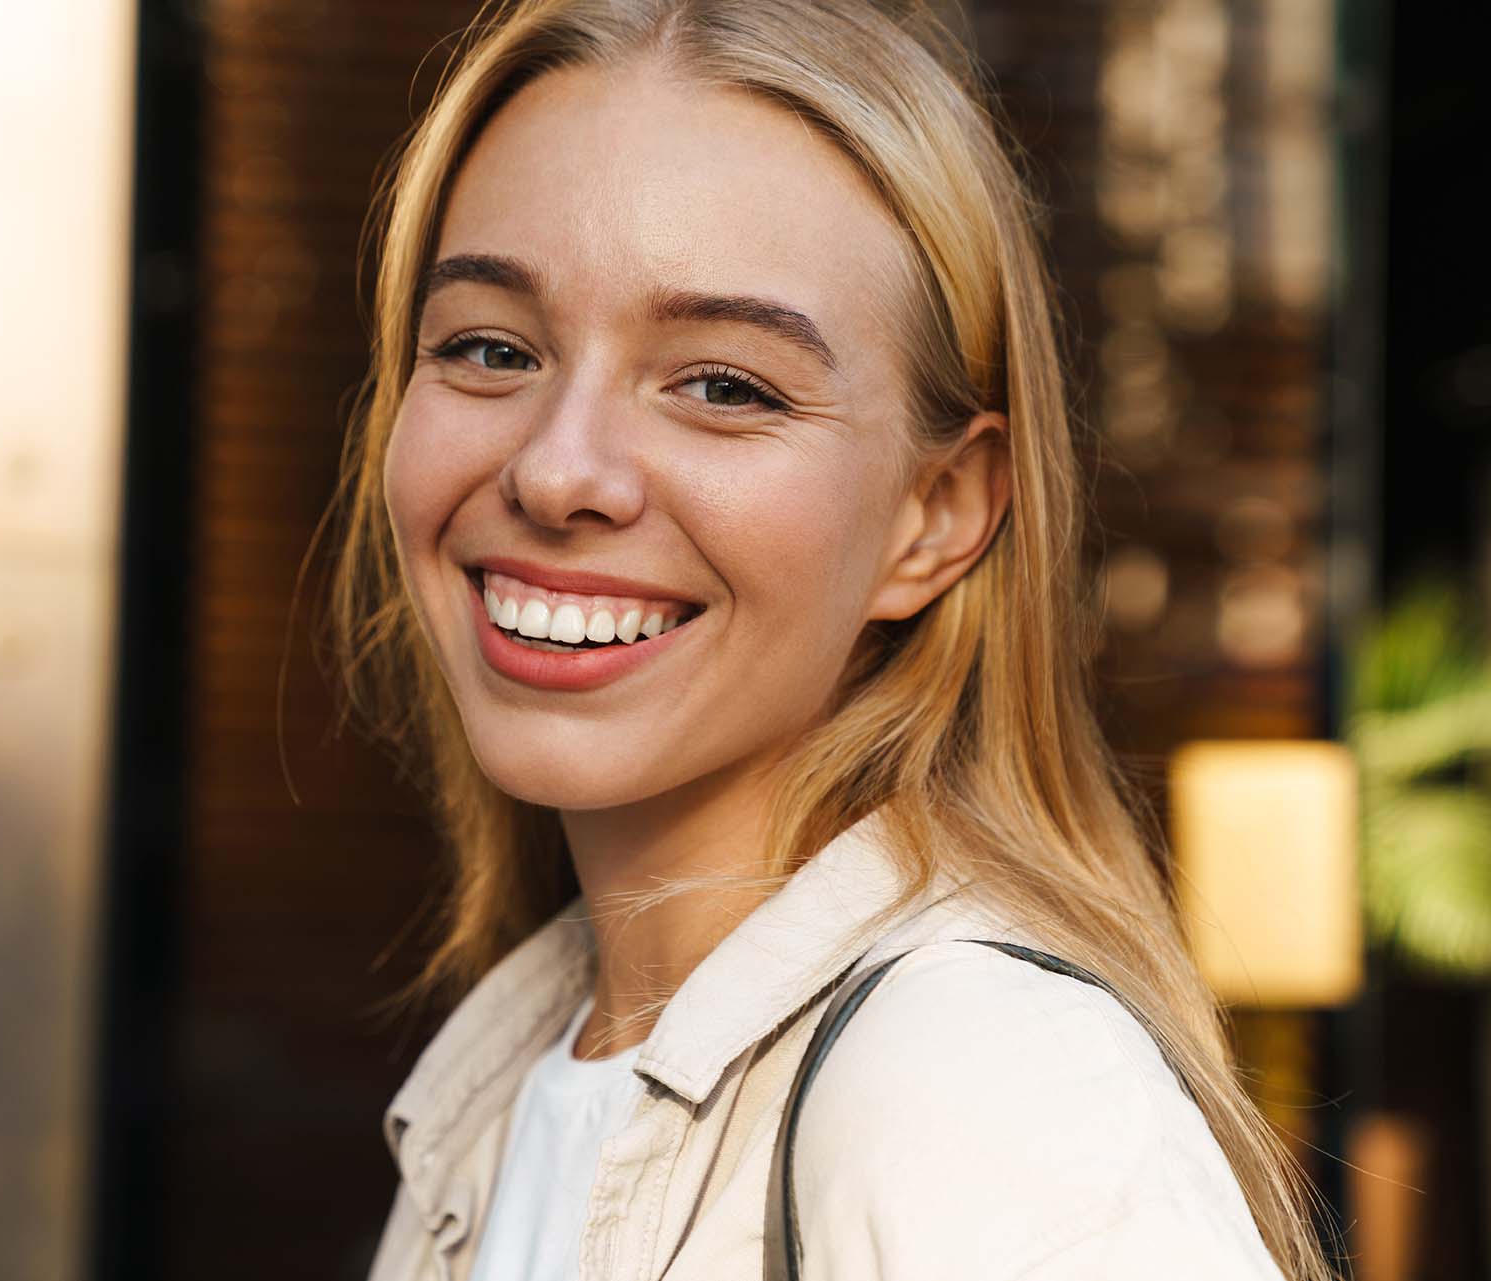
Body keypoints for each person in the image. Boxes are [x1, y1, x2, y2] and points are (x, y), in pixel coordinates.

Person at [324, 1, 1337, 1278]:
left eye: (725, 384)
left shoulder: (979, 1086)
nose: (557, 469)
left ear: (936, 515)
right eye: (488, 347)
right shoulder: (509, 1083)